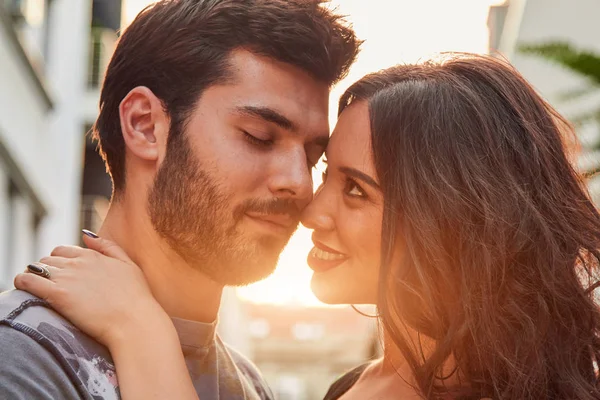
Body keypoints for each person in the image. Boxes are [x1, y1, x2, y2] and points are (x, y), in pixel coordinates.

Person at [16, 53, 600, 399]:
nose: (311, 210)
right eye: (327, 173)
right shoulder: (355, 385)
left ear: (445, 220)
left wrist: (139, 329)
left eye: (355, 190)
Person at [0, 0, 360, 399]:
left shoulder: (251, 387)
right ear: (145, 125)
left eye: (312, 157)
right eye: (259, 136)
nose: (299, 183)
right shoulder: (21, 358)